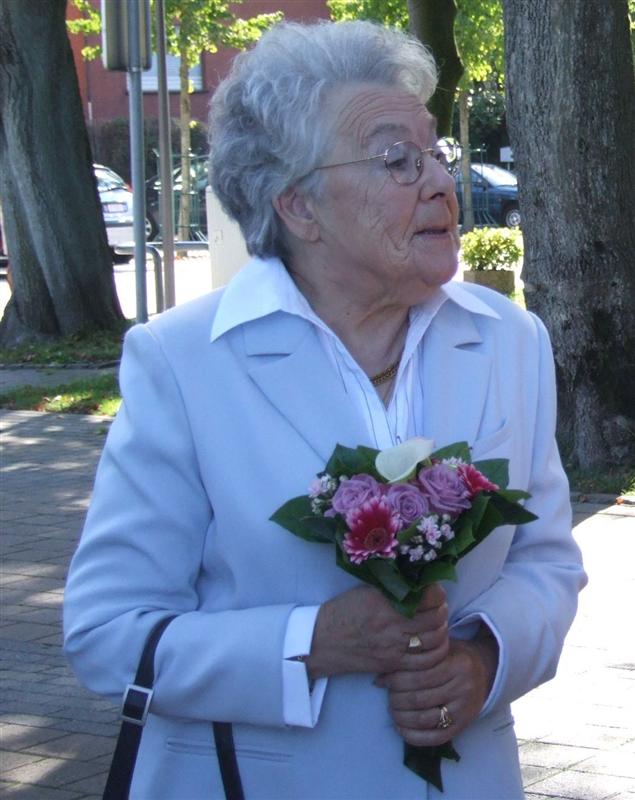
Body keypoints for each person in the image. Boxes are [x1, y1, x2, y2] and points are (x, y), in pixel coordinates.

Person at [64, 20, 587, 799]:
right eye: (395, 160)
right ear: (298, 206)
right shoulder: (183, 361)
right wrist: (309, 643)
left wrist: (483, 661)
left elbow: (544, 561)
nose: (439, 183)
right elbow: (109, 634)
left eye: (435, 153)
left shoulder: (507, 338)